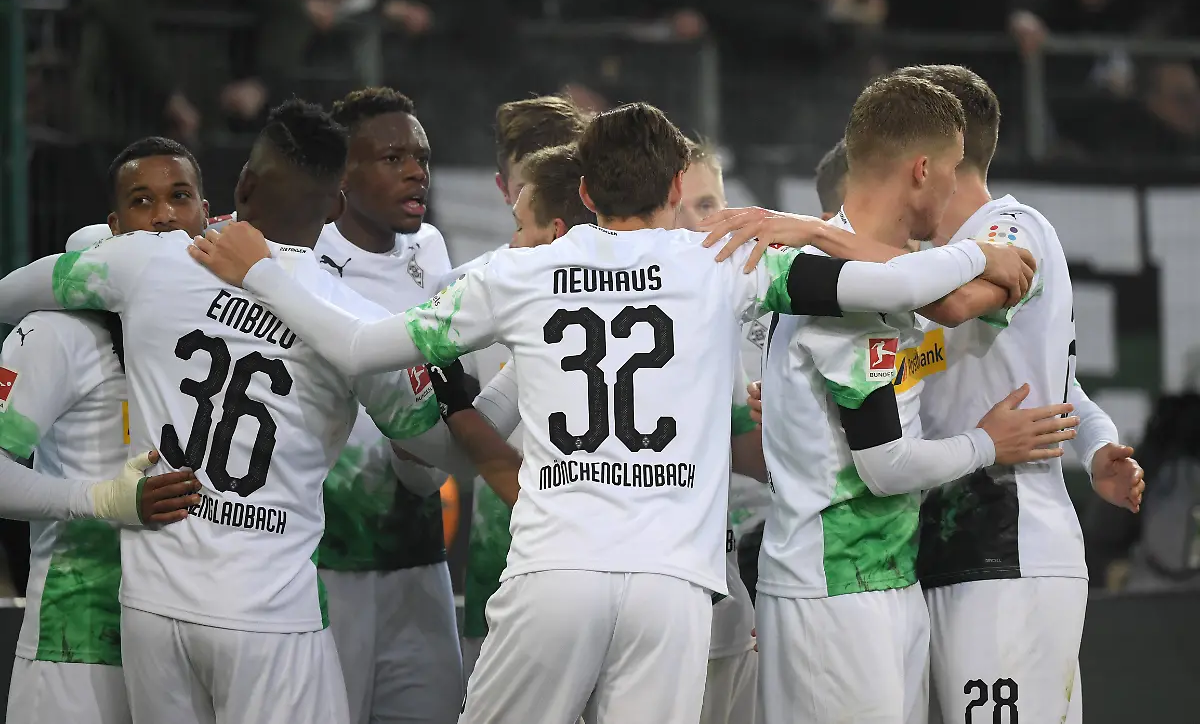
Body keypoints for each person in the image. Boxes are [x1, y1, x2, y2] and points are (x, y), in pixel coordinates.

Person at [190, 102, 1038, 724]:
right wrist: (980, 253)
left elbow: (356, 346)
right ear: (675, 185)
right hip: (673, 586)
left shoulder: (516, 273)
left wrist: (259, 269)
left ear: (587, 190)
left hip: (554, 572)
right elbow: (896, 282)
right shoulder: (725, 262)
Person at [0, 100, 462, 724]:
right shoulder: (357, 323)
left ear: (242, 186)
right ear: (334, 208)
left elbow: (14, 292)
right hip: (269, 617)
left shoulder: (147, 261)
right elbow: (440, 454)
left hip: (153, 611)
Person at [701, 75, 1079, 724]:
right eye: (953, 169)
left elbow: (917, 290)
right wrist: (988, 443)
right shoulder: (847, 293)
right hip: (834, 588)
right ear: (923, 170)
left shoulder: (875, 278)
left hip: (888, 575)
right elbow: (885, 465)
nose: (956, 187)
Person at [892, 64, 1143, 724]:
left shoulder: (1011, 228)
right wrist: (1098, 445)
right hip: (942, 544)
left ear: (929, 157)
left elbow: (956, 305)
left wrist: (827, 249)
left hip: (1009, 548)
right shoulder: (931, 255)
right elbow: (1058, 380)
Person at [1, 136, 208, 724]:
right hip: (78, 643)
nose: (164, 215)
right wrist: (101, 500)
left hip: (192, 642)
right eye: (143, 201)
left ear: (206, 214)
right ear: (114, 227)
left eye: (180, 197)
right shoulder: (58, 333)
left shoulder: (226, 333)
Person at [314, 87, 460, 724]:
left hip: (419, 548)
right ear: (342, 173)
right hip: (328, 557)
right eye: (393, 158)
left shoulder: (430, 248)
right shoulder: (303, 256)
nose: (415, 172)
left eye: (421, 158)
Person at [452, 95, 590, 678]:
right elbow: (445, 448)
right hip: (504, 557)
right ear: (508, 189)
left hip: (601, 551)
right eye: (531, 177)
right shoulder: (463, 291)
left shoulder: (650, 287)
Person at [677, 139, 762, 724]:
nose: (693, 225)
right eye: (678, 208)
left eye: (708, 205)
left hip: (739, 590)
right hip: (657, 603)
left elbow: (756, 457)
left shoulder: (759, 302)